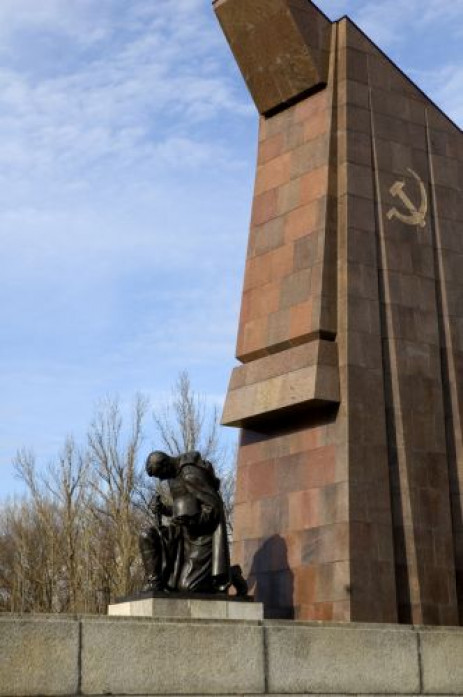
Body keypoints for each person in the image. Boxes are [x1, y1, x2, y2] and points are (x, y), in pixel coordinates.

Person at [139, 450, 232, 594]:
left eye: (160, 475)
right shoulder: (172, 476)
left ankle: (230, 573)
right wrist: (163, 509)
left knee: (187, 588)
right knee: (147, 535)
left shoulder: (190, 474)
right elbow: (182, 509)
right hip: (181, 532)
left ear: (165, 466)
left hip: (201, 536)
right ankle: (155, 582)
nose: (160, 480)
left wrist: (193, 521)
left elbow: (214, 508)